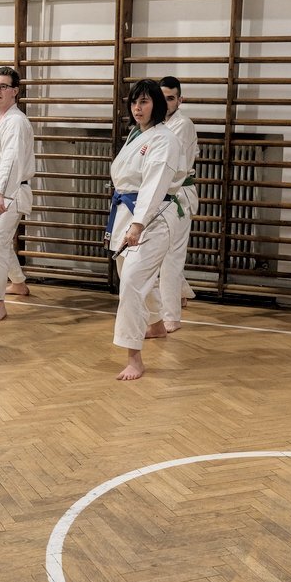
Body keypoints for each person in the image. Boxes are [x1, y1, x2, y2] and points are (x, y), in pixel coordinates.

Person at [108, 79, 186, 380]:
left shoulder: (164, 139)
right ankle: (155, 324)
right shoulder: (136, 135)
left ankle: (134, 357)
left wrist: (139, 224)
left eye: (145, 101)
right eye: (134, 102)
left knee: (130, 282)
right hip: (126, 214)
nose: (138, 107)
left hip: (152, 219)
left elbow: (154, 185)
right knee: (131, 276)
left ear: (157, 103)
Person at [0, 66, 34, 322]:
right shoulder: (1, 118)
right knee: (1, 242)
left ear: (15, 91)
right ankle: (19, 283)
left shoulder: (15, 121)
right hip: (0, 189)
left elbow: (10, 161)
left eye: (3, 86)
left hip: (9, 191)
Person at [152, 76, 199, 332]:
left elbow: (164, 158)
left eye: (171, 98)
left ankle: (171, 316)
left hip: (178, 194)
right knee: (162, 253)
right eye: (162, 98)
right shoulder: (157, 123)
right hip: (160, 194)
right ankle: (181, 292)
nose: (166, 102)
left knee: (171, 256)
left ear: (180, 100)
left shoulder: (183, 124)